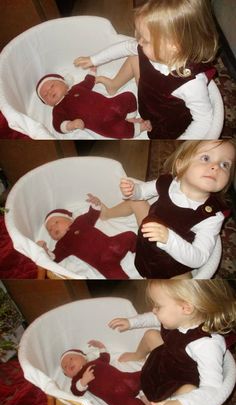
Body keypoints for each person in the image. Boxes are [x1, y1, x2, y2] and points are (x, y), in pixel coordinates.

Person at [74, 0, 219, 139]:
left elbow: (204, 120)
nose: (139, 41)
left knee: (137, 54)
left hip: (162, 120)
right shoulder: (154, 49)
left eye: (145, 39)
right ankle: (114, 84)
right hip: (149, 96)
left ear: (174, 46)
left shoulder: (191, 84)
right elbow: (125, 47)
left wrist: (183, 142)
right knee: (135, 55)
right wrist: (94, 59)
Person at [98, 140, 236, 279]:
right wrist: (132, 191)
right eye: (206, 158)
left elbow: (199, 258)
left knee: (184, 284)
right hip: (146, 240)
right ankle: (107, 213)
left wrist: (168, 239)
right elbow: (142, 191)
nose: (216, 167)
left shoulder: (211, 215)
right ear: (181, 165)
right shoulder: (168, 182)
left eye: (225, 165)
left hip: (173, 262)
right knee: (136, 201)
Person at [109, 279, 236, 405]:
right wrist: (131, 322)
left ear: (186, 308)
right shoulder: (179, 317)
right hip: (164, 361)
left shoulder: (206, 345)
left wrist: (182, 404)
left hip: (177, 381)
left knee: (189, 390)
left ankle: (166, 403)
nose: (154, 310)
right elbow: (154, 317)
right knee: (151, 334)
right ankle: (138, 356)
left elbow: (212, 389)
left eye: (158, 306)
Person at [36, 196, 137, 279]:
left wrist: (95, 204)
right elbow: (54, 258)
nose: (53, 228)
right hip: (103, 262)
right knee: (115, 276)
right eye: (49, 230)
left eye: (56, 222)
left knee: (130, 236)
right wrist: (43, 250)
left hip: (113, 243)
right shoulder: (62, 244)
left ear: (69, 219)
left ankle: (143, 251)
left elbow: (91, 215)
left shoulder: (80, 221)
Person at [36, 68, 151, 139]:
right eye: (45, 95)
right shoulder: (58, 109)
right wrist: (71, 125)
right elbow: (58, 125)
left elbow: (88, 82)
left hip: (111, 104)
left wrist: (92, 71)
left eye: (51, 86)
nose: (49, 91)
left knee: (129, 97)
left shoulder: (76, 88)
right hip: (102, 124)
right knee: (119, 130)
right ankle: (138, 128)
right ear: (48, 104)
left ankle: (129, 118)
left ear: (64, 83)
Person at [60, 339, 156, 405]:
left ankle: (144, 392)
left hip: (126, 379)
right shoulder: (77, 379)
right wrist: (83, 381)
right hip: (115, 397)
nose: (68, 364)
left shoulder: (96, 362)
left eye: (71, 358)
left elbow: (105, 357)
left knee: (144, 376)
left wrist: (101, 347)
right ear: (68, 375)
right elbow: (75, 391)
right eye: (65, 367)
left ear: (84, 357)